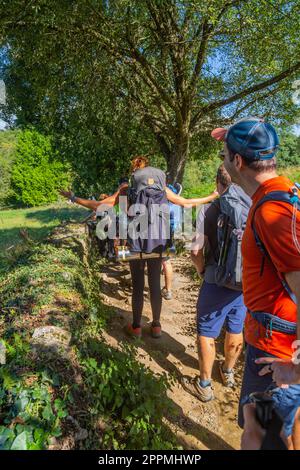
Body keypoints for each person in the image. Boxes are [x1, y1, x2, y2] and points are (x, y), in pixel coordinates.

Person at [211, 116, 300, 449]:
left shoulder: (271, 211)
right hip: (277, 340)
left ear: (237, 162)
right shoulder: (285, 193)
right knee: (286, 431)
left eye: (224, 154)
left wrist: (296, 367)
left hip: (274, 352)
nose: (222, 161)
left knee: (258, 437)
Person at [60, 155, 218, 340]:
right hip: (158, 241)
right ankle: (156, 326)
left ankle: (136, 327)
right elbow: (185, 202)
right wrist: (213, 196)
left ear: (133, 172)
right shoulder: (161, 188)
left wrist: (73, 197)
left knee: (137, 285)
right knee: (154, 284)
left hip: (134, 242)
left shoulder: (127, 189)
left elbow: (100, 206)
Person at [182, 164, 249, 402]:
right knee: (236, 328)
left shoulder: (209, 209)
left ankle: (204, 384)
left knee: (207, 332)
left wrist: (201, 270)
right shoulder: (251, 205)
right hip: (244, 284)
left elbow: (195, 250)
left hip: (215, 281)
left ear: (218, 183)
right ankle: (228, 373)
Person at [161, 181, 182, 301]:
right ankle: (168, 290)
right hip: (171, 235)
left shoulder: (165, 205)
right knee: (166, 262)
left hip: (162, 235)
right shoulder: (177, 205)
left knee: (161, 261)